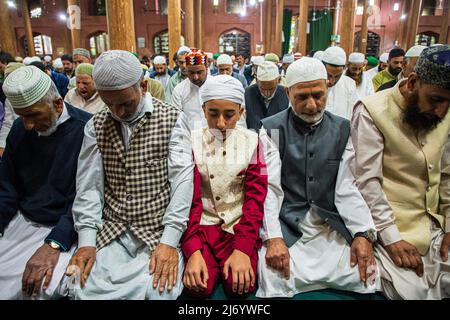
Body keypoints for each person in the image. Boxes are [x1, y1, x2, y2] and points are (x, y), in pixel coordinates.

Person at [67, 50, 194, 300]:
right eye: (109, 104)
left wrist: (169, 241)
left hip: (157, 230)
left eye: (126, 103)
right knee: (79, 286)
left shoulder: (172, 119)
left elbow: (182, 182)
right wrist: (86, 242)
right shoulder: (95, 125)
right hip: (112, 229)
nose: (119, 112)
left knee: (159, 292)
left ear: (143, 86)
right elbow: (89, 186)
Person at [256, 57, 379, 298]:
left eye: (318, 95)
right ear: (287, 92)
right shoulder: (269, 129)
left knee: (366, 275)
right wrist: (274, 238)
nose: (312, 105)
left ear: (327, 88)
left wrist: (362, 233)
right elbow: (268, 187)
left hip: (329, 225)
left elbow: (347, 187)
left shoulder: (343, 129)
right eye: (302, 97)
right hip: (288, 224)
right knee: (274, 279)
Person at [352, 45, 450, 300]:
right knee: (411, 291)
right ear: (414, 82)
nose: (441, 112)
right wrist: (390, 237)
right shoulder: (372, 110)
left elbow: (448, 175)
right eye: (435, 100)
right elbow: (367, 181)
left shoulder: (445, 112)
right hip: (392, 225)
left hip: (436, 225)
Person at [0, 66, 91, 299]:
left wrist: (54, 244)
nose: (28, 125)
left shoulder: (88, 130)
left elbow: (88, 198)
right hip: (21, 221)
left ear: (58, 104)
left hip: (65, 227)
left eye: (33, 116)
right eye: (22, 116)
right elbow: (6, 188)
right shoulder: (20, 129)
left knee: (41, 285)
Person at [182, 75, 268, 298]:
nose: (221, 123)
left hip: (237, 228)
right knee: (199, 287)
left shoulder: (254, 142)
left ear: (241, 111)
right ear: (203, 109)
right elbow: (187, 199)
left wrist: (243, 248)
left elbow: (255, 200)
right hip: (202, 228)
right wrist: (192, 250)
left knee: (241, 287)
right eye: (213, 114)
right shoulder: (190, 141)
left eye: (229, 115)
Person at [171, 49, 211, 130]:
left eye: (199, 72)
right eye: (191, 73)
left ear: (206, 68)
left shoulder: (217, 86)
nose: (195, 77)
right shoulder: (179, 90)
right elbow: (176, 121)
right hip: (189, 139)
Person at [244, 61, 289, 131]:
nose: (267, 93)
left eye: (271, 89)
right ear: (256, 81)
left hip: (278, 139)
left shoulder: (287, 93)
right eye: (262, 89)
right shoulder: (246, 94)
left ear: (278, 80)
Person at [322, 46, 358, 120]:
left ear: (344, 68)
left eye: (337, 76)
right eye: (329, 75)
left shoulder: (349, 84)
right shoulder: (313, 82)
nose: (332, 81)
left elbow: (353, 113)